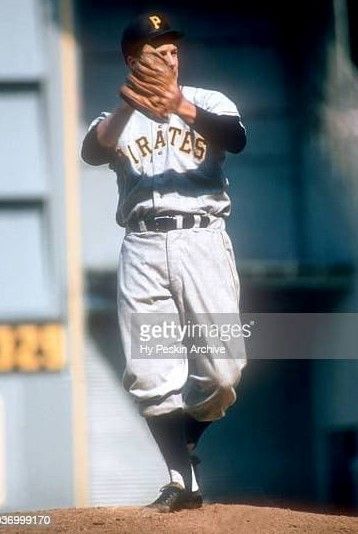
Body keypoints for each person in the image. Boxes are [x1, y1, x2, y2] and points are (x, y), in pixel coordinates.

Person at [81, 11, 248, 513]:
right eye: (158, 50)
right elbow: (94, 151)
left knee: (224, 373)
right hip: (144, 244)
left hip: (203, 239)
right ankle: (181, 482)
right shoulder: (117, 120)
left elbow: (235, 138)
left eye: (174, 49)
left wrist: (179, 105)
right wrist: (129, 108)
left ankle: (184, 445)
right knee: (151, 375)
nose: (170, 57)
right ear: (135, 60)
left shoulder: (209, 101)